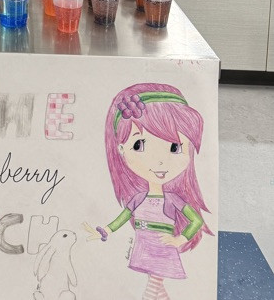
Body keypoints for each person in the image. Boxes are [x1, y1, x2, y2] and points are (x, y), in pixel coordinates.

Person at [84, 82, 212, 300]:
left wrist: (180, 239)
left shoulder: (172, 199)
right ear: (121, 150)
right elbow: (123, 218)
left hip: (162, 247)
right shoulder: (138, 199)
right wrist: (103, 231)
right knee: (158, 292)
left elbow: (196, 221)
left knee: (151, 290)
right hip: (145, 246)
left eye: (175, 147)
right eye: (139, 145)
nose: (160, 160)